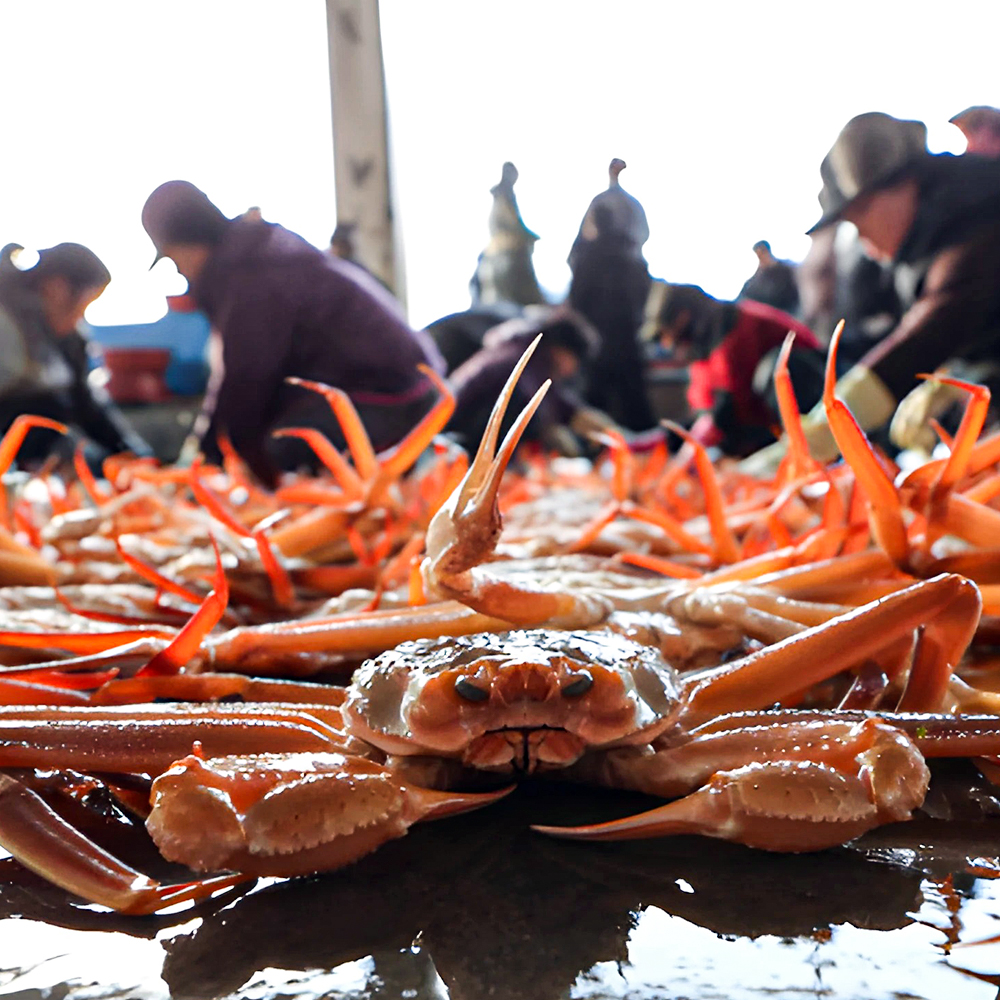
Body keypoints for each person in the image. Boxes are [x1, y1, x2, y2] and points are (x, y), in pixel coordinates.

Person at [741, 111, 1000, 474]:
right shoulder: (927, 239)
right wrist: (948, 377)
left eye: (859, 218)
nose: (862, 239)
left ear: (897, 187)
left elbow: (933, 327)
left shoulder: (979, 220)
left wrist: (822, 431)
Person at [141, 180, 445, 485]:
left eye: (173, 257)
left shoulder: (249, 273)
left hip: (396, 399)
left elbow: (244, 383)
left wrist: (202, 460)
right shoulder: (257, 248)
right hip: (408, 386)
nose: (179, 271)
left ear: (187, 243)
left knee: (282, 445)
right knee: (264, 435)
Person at [0, 243, 150, 465]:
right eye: (83, 307)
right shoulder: (8, 325)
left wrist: (130, 452)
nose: (80, 319)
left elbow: (84, 402)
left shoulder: (68, 340)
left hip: (48, 457)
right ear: (56, 288)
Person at [641, 281, 821, 455]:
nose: (665, 345)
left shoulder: (742, 329)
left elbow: (734, 403)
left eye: (664, 335)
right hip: (756, 423)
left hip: (803, 413)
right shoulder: (704, 346)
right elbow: (706, 408)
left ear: (682, 317)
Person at [447, 305, 620, 456]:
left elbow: (551, 397)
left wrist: (576, 414)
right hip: (459, 437)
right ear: (563, 351)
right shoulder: (520, 361)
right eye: (576, 361)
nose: (573, 370)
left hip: (457, 429)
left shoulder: (527, 352)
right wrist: (546, 431)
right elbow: (526, 399)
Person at [568, 160, 655, 432]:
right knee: (633, 401)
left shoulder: (587, 258)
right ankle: (647, 444)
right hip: (626, 335)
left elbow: (576, 299)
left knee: (596, 400)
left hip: (597, 340)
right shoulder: (632, 260)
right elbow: (645, 295)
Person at [738, 240, 800, 315]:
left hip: (786, 313)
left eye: (761, 254)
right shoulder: (754, 280)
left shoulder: (785, 270)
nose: (760, 259)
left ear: (766, 252)